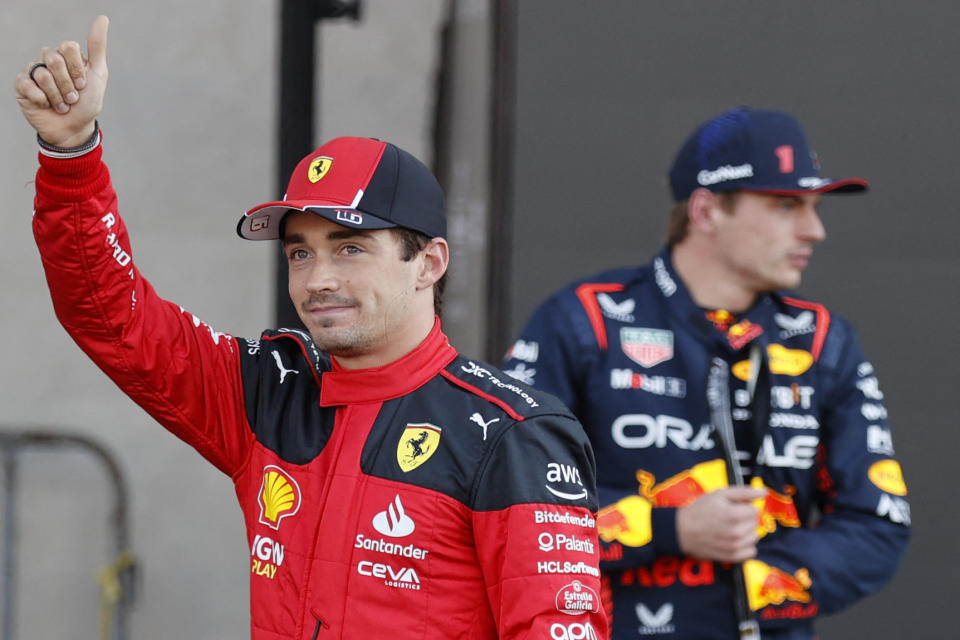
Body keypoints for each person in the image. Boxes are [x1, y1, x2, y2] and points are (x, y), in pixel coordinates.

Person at [16, 16, 609, 640]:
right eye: (300, 252)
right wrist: (71, 150)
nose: (317, 278)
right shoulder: (268, 391)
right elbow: (109, 314)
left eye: (350, 248)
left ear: (428, 263)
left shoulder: (512, 434)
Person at [503, 106, 910, 639]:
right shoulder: (585, 321)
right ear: (706, 210)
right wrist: (670, 528)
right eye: (787, 205)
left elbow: (878, 521)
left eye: (813, 207)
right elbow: (512, 506)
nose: (815, 229)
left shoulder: (823, 341)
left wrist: (758, 580)